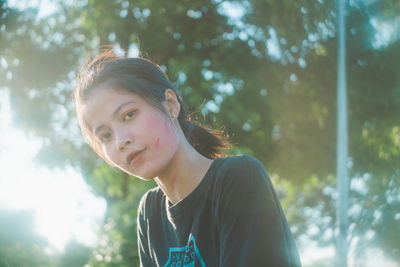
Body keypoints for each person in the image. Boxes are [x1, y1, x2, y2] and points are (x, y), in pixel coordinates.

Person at [73, 50, 302, 267]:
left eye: (129, 114)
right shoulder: (150, 212)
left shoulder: (237, 178)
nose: (120, 140)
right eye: (105, 135)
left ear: (171, 104)